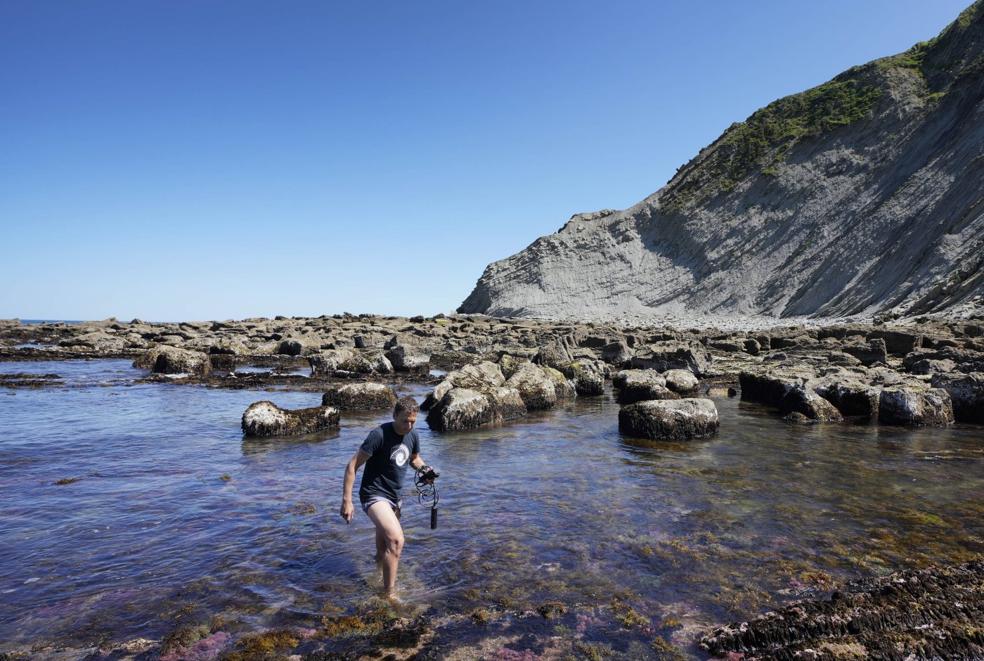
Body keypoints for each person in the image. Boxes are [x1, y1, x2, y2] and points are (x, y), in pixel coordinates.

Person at [340, 396, 436, 598]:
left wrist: (425, 470)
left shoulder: (413, 435)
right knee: (396, 541)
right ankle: (389, 595)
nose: (408, 426)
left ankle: (376, 574)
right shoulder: (378, 435)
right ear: (394, 416)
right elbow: (352, 466)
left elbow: (414, 458)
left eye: (413, 421)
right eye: (404, 421)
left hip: (395, 497)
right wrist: (347, 501)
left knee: (384, 546)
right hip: (373, 494)